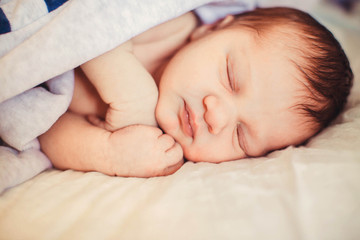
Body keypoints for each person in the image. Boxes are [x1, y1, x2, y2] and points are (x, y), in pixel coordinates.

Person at [38, 7, 353, 177]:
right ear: (213, 28)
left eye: (241, 136)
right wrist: (134, 99)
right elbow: (90, 21)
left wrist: (107, 151)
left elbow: (43, 129)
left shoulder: (157, 142)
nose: (215, 116)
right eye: (230, 77)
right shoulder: (169, 24)